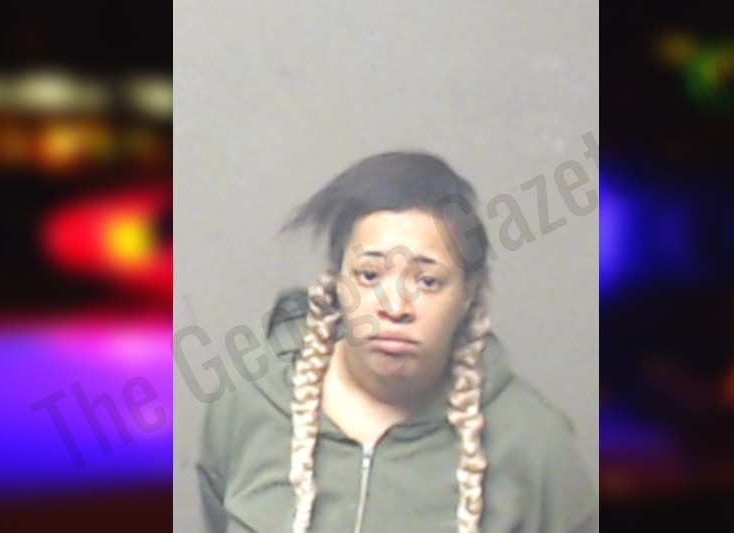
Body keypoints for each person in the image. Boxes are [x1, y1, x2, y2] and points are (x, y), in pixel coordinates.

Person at [197, 152, 597, 532]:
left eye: (428, 281)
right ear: (337, 281)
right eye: (369, 275)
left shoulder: (535, 445)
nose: (394, 307)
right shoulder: (246, 407)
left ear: (468, 293)